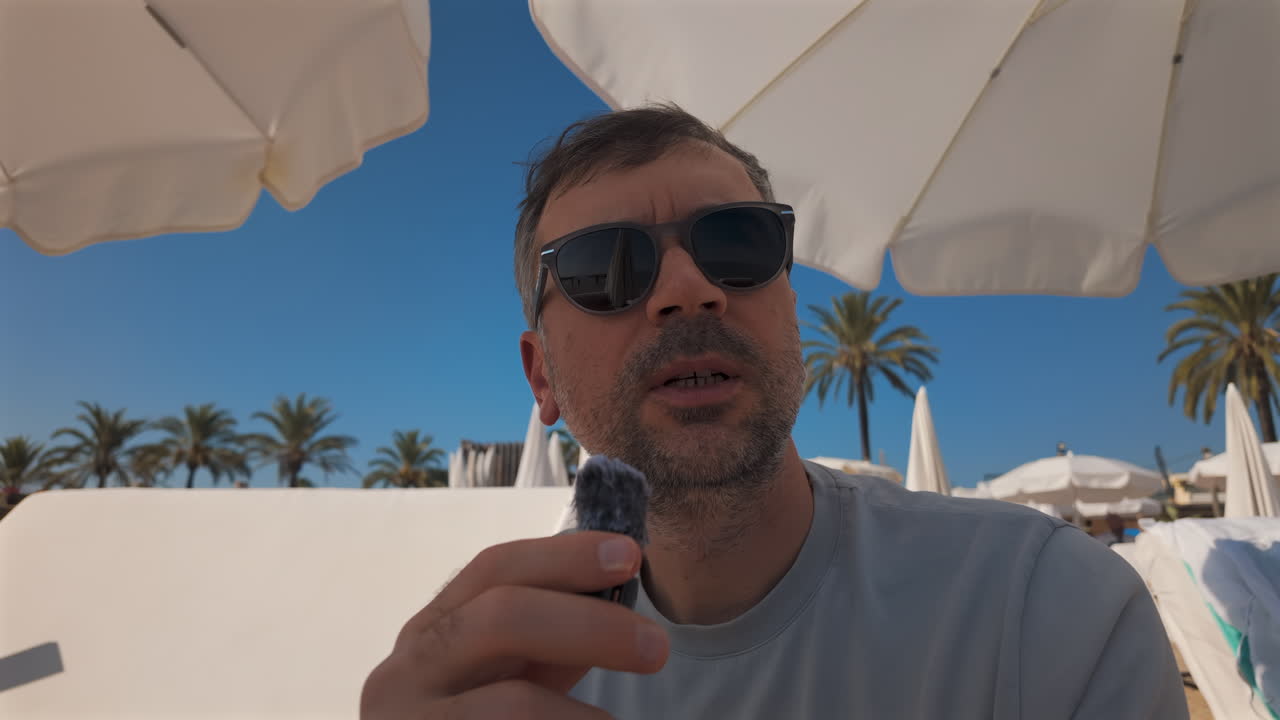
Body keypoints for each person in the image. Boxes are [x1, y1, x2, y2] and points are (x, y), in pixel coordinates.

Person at [361, 105, 1188, 719]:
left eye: (739, 243)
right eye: (605, 268)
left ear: (792, 306)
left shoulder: (1042, 615)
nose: (690, 291)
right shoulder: (499, 675)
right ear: (540, 377)